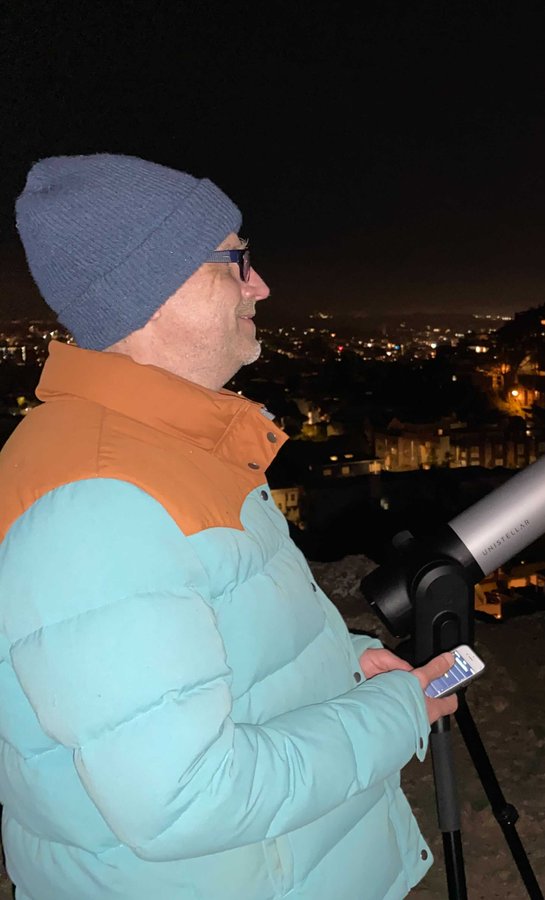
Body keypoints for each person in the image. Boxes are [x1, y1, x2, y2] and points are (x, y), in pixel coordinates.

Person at [0, 154, 458, 899]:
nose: (261, 284)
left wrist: (341, 663)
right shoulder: (97, 502)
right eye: (234, 261)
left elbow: (208, 639)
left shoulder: (171, 450)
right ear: (147, 288)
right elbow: (183, 800)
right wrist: (396, 711)